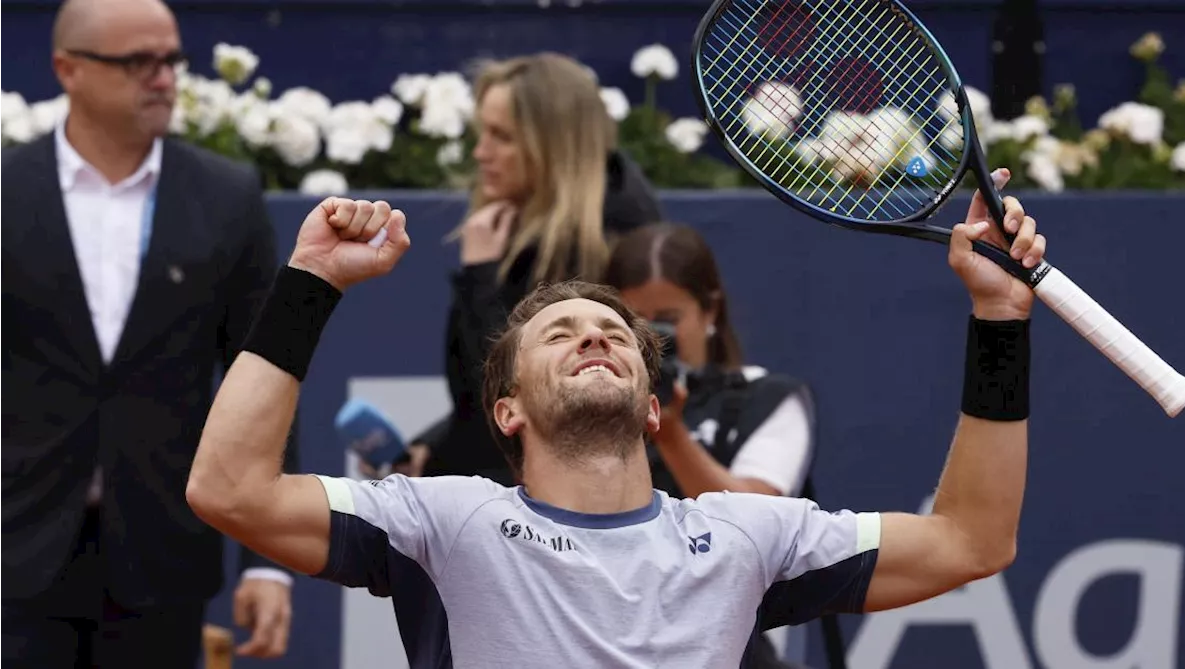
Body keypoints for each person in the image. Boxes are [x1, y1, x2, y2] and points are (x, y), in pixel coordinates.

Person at [187, 166, 1049, 667]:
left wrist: (1000, 323)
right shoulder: (441, 522)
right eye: (560, 333)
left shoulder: (750, 535)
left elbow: (973, 540)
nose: (594, 337)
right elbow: (229, 486)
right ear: (508, 409)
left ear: (649, 404)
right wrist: (311, 281)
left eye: (616, 335)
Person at [0, 0, 296, 666]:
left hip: (162, 557)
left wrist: (268, 558)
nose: (163, 78)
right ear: (67, 69)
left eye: (171, 59)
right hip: (13, 553)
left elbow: (266, 372)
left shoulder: (227, 195)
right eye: (138, 61)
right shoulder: (8, 189)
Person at [395, 52, 663, 486]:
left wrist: (481, 273)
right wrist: (438, 444)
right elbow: (482, 404)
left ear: (552, 145)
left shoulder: (615, 248)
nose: (481, 153)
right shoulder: (522, 227)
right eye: (482, 133)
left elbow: (517, 388)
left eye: (502, 136)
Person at [605, 223, 817, 668]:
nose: (650, 340)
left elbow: (754, 520)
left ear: (709, 311)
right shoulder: (589, 403)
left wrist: (670, 433)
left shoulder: (768, 397)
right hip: (603, 633)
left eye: (667, 319)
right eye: (629, 323)